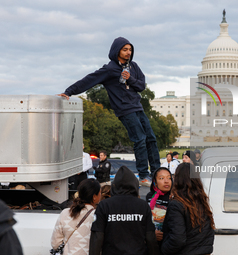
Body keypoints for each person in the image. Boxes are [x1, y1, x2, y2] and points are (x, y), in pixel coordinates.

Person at [58, 36, 160, 187]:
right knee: (139, 138)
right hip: (125, 109)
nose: (128, 53)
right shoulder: (110, 69)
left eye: (130, 49)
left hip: (137, 106)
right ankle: (144, 175)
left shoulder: (134, 67)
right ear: (117, 51)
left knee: (150, 138)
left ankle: (157, 172)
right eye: (125, 50)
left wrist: (130, 79)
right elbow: (89, 80)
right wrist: (69, 91)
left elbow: (141, 86)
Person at [89, 165, 159, 255]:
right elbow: (150, 237)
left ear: (114, 185)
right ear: (134, 185)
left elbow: (97, 237)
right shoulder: (143, 206)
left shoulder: (105, 205)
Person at [161, 163, 215, 255]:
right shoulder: (202, 202)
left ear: (178, 180)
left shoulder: (177, 204)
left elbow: (177, 239)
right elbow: (209, 233)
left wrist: (163, 250)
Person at [51, 179, 101, 254]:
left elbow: (55, 244)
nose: (101, 195)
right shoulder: (97, 216)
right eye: (100, 192)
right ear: (94, 197)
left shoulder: (65, 213)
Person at [146, 167, 173, 248]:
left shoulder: (175, 197)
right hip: (151, 243)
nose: (166, 181)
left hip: (169, 243)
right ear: (155, 182)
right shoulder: (150, 197)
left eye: (169, 178)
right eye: (161, 178)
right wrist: (151, 233)